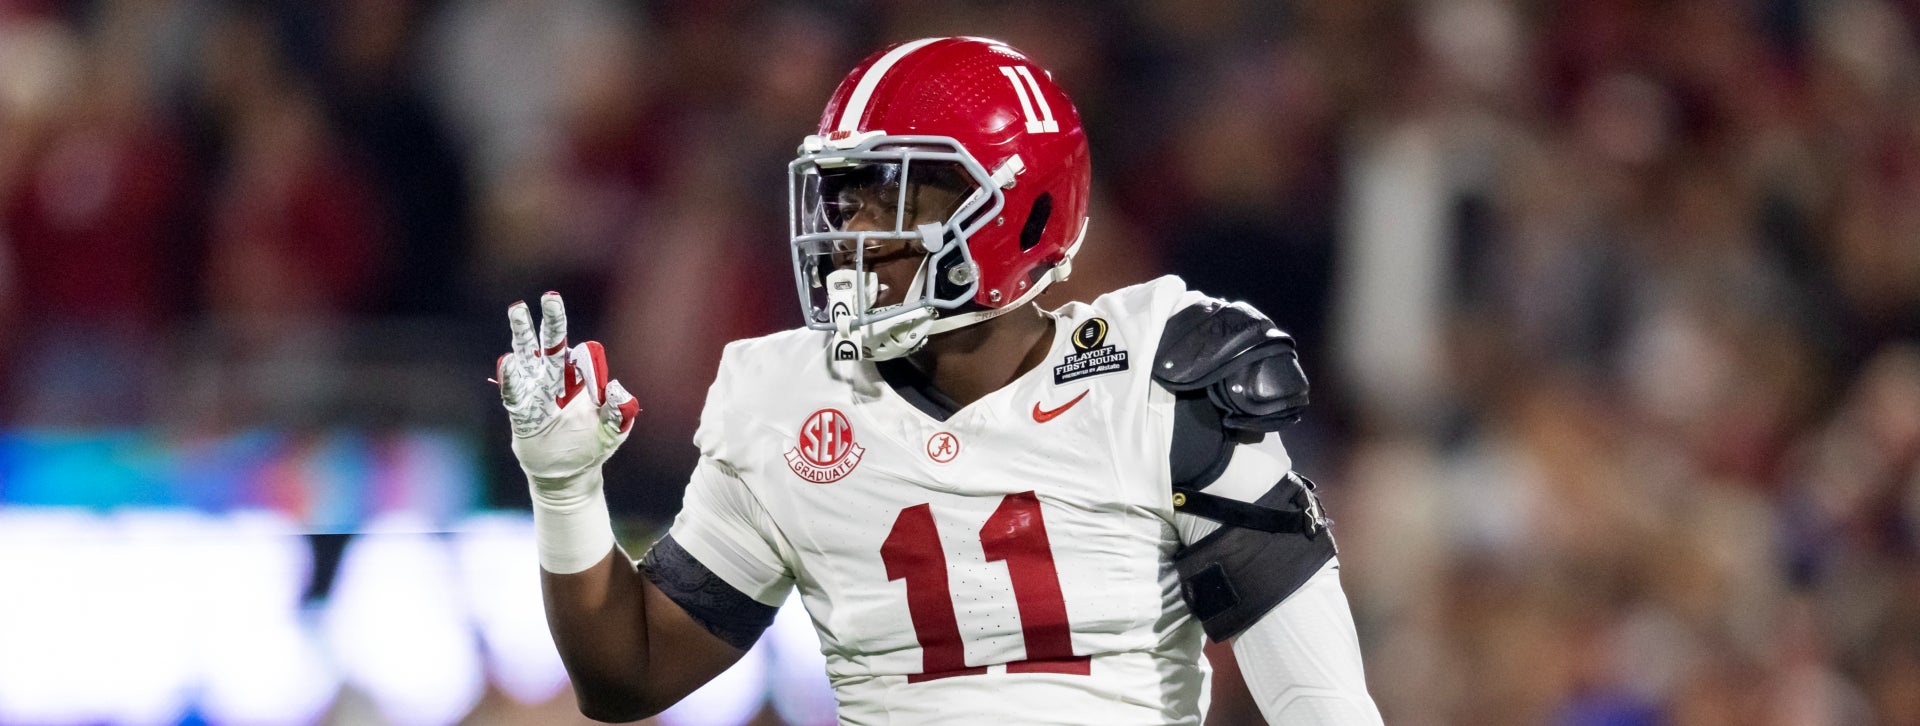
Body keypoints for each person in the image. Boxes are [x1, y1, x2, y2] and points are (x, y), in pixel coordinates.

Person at [496, 37, 1382, 725]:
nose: (852, 232)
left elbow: (1319, 698)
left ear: (1021, 209)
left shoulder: (1161, 378)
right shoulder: (792, 402)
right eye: (846, 197)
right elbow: (628, 673)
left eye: (895, 194)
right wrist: (566, 486)